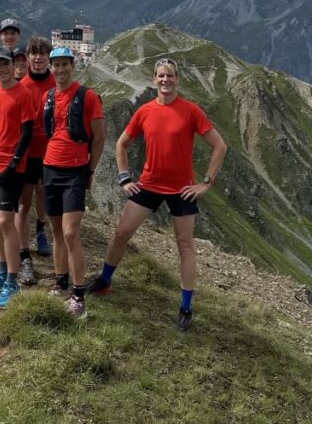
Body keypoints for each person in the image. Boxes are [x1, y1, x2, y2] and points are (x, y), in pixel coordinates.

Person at [87, 57, 228, 331]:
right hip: (149, 184)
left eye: (170, 76)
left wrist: (206, 183)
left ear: (177, 79)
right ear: (154, 79)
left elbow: (219, 146)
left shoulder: (190, 110)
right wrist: (124, 177)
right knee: (121, 234)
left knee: (184, 246)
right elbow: (121, 144)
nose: (166, 80)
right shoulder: (145, 111)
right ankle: (104, 281)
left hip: (182, 189)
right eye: (161, 76)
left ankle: (186, 307)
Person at [41, 47, 106, 319]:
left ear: (72, 65)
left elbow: (99, 137)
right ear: (51, 67)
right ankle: (60, 281)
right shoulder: (48, 97)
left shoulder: (88, 96)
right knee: (56, 230)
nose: (60, 70)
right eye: (56, 65)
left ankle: (78, 294)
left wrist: (90, 170)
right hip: (50, 167)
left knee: (70, 233)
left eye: (64, 64)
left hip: (75, 172)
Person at [0, 46, 39, 310]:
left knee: (6, 220)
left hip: (11, 168)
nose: (1, 69)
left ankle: (12, 280)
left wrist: (13, 165)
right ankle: (2, 271)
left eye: (5, 64)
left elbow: (27, 133)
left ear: (13, 66)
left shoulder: (23, 94)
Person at [19, 36, 56, 259]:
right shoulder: (22, 85)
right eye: (34, 53)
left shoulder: (56, 83)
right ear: (28, 57)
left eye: (43, 53)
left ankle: (41, 231)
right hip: (27, 150)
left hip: (50, 150)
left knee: (43, 193)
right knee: (24, 201)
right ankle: (24, 254)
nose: (39, 57)